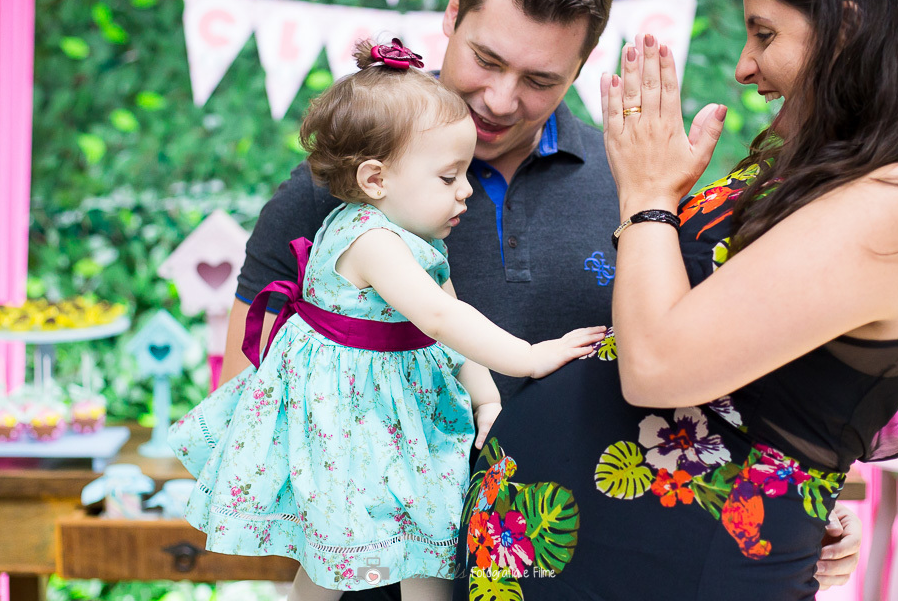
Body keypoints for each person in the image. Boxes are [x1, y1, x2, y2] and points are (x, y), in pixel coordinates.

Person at [224, 0, 863, 594]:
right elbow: (247, 399)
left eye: (539, 79)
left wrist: (787, 508)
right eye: (486, 60)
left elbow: (700, 393)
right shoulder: (346, 184)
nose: (500, 101)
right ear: (453, 12)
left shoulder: (634, 189)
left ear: (582, 66)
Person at [455, 0, 898, 600]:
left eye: (764, 34)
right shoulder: (827, 173)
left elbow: (658, 366)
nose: (743, 66)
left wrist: (648, 197)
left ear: (847, 30)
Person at [169, 38, 606, 601]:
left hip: (398, 409)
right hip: (350, 418)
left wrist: (486, 398)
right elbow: (439, 316)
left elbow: (449, 325)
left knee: (426, 535)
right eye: (449, 178)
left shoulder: (417, 239)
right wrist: (530, 356)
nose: (466, 191)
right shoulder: (370, 239)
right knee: (339, 548)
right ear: (375, 180)